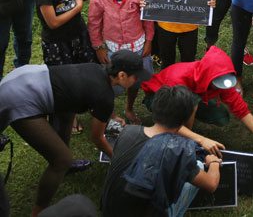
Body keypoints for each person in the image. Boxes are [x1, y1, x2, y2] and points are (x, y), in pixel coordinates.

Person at [0, 49, 151, 217]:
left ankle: (64, 166)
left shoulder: (95, 69)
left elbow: (88, 93)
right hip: (19, 97)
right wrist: (116, 158)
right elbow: (96, 138)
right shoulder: (104, 96)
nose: (137, 81)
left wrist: (112, 115)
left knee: (68, 111)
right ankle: (38, 212)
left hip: (24, 77)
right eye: (135, 77)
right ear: (122, 75)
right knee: (62, 159)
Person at [101, 85, 222, 217]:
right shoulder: (177, 151)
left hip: (109, 209)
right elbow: (211, 184)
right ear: (185, 119)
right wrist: (213, 163)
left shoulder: (127, 131)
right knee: (198, 166)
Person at [141, 46, 253, 143]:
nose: (220, 87)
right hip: (158, 98)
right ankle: (184, 139)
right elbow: (170, 119)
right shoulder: (177, 79)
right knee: (192, 102)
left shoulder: (218, 76)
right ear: (207, 76)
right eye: (217, 83)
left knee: (221, 116)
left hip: (188, 98)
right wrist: (199, 140)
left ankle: (187, 124)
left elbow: (242, 111)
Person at [87, 0, 154, 123]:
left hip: (137, 47)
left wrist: (149, 41)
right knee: (111, 84)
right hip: (113, 50)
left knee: (135, 81)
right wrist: (98, 46)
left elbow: (148, 18)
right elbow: (94, 23)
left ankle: (129, 108)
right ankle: (111, 114)